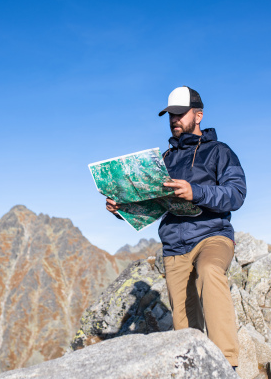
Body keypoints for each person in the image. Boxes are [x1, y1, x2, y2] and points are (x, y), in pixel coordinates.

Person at [105, 86, 246, 367]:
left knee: (209, 270)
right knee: (184, 327)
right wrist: (122, 209)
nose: (174, 119)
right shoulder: (164, 161)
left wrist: (197, 192)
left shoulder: (219, 152)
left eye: (180, 114)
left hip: (212, 235)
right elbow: (153, 206)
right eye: (170, 115)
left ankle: (228, 364)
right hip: (174, 246)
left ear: (198, 115)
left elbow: (236, 194)